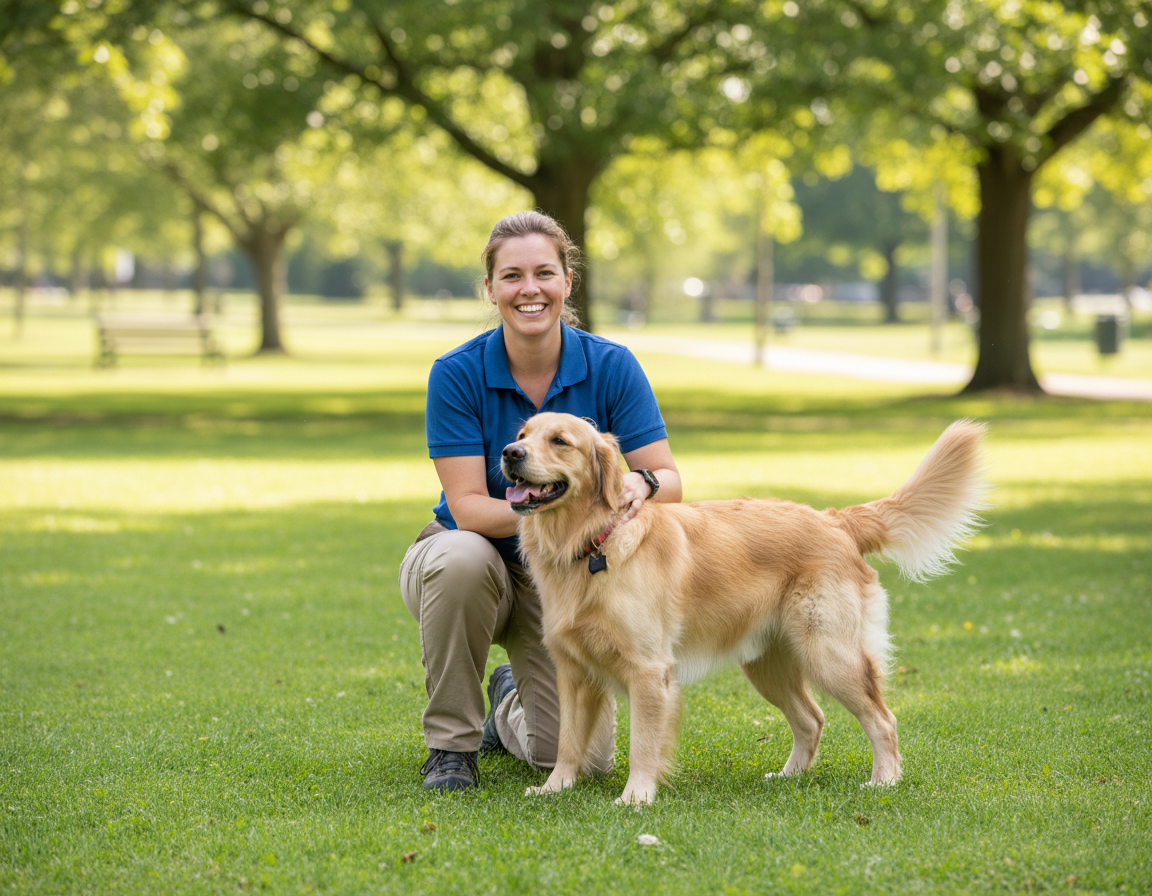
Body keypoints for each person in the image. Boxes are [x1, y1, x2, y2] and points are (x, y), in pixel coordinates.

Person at [398, 210, 682, 792]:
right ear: (490, 288)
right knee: (461, 559)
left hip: (573, 571)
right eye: (512, 276)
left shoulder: (611, 365)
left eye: (544, 273)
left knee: (578, 759)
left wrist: (639, 484)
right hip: (473, 559)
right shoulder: (455, 374)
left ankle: (508, 701)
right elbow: (471, 507)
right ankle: (451, 747)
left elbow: (668, 480)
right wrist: (570, 505)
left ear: (567, 282)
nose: (529, 289)